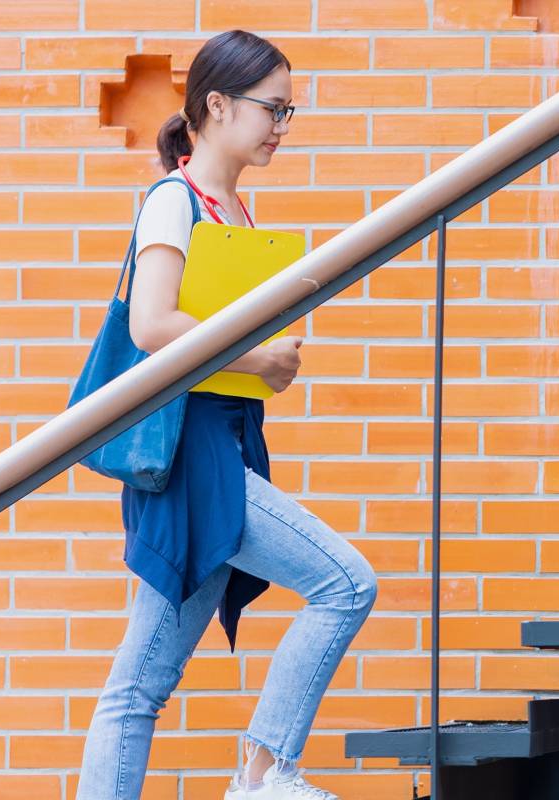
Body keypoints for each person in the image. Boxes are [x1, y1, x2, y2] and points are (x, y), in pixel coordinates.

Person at [77, 30, 376, 800]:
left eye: (289, 110)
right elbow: (152, 326)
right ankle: (264, 773)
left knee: (139, 686)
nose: (282, 124)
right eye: (271, 107)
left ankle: (262, 773)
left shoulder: (236, 210)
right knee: (346, 583)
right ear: (216, 105)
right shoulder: (175, 202)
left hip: (223, 445)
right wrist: (259, 359)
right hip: (193, 459)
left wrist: (267, 363)